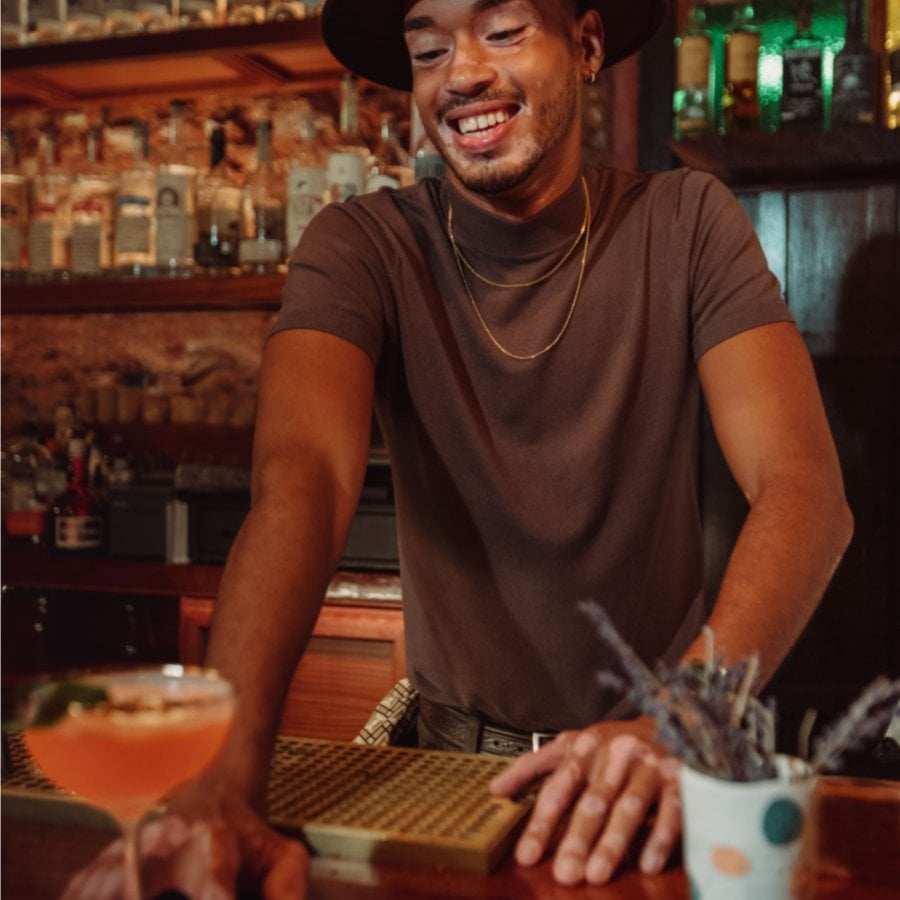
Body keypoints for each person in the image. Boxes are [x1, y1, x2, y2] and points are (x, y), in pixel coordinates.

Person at [64, 0, 853, 896]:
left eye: (504, 30)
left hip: (662, 758)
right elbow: (303, 485)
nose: (463, 73)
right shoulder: (362, 246)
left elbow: (805, 489)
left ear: (587, 45)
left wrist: (685, 717)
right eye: (429, 48)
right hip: (444, 767)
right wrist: (217, 784)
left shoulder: (686, 221)